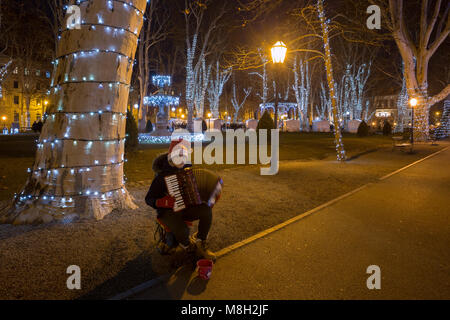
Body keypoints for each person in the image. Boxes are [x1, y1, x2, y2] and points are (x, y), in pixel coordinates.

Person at [145, 139, 216, 262]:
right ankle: (188, 247)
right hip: (167, 211)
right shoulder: (162, 176)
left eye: (184, 156)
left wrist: (210, 197)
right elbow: (149, 199)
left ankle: (201, 242)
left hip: (186, 207)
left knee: (206, 211)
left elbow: (197, 191)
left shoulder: (188, 171)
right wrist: (162, 202)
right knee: (182, 230)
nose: (181, 160)